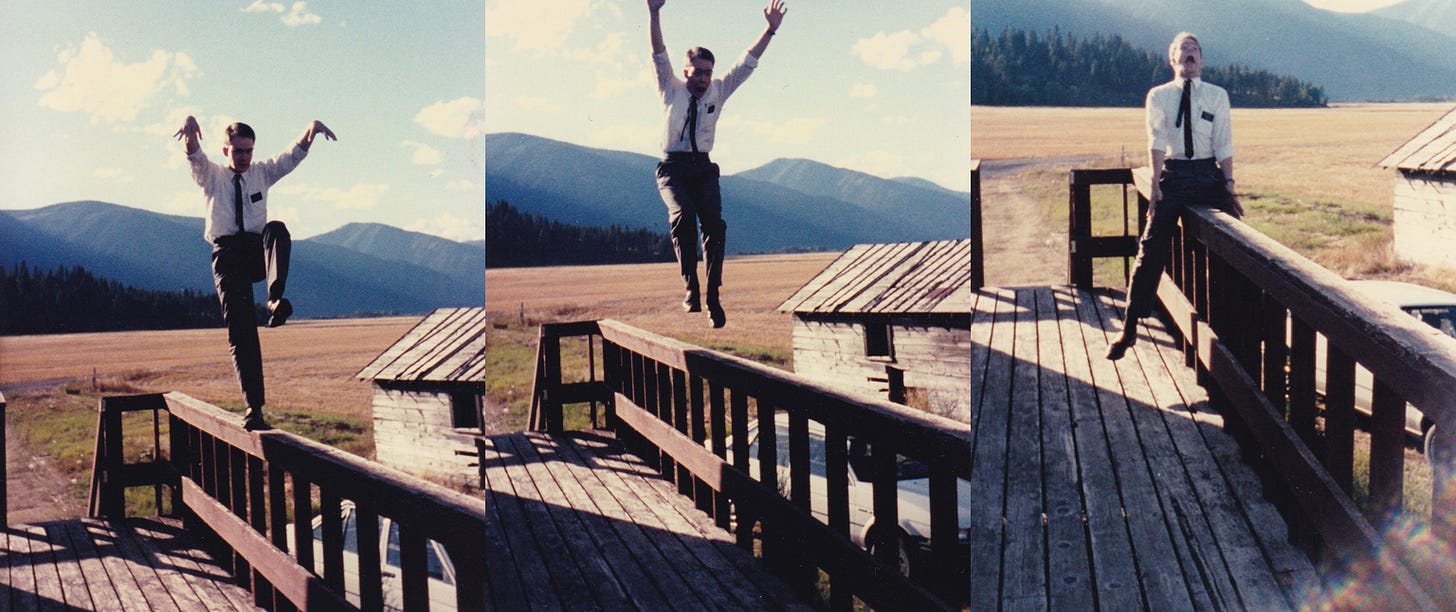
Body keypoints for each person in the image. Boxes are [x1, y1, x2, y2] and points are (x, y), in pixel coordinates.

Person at [174, 116, 337, 429]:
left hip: (254, 251)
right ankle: (254, 409)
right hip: (226, 256)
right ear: (226, 151)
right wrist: (190, 129)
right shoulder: (212, 176)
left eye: (248, 151)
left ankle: (275, 300)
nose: (244, 157)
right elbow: (193, 155)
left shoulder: (262, 173)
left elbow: (291, 157)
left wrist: (312, 130)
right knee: (241, 330)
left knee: (276, 229)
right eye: (237, 151)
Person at [648, 0, 787, 328]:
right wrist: (653, 12)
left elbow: (747, 63)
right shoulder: (670, 88)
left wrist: (770, 29)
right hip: (672, 168)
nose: (703, 78)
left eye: (707, 72)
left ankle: (713, 295)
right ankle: (690, 288)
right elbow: (658, 51)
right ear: (686, 72)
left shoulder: (719, 91)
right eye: (697, 72)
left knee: (714, 225)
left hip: (704, 168)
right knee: (683, 216)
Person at [1106, 32, 1242, 361]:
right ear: (1173, 60)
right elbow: (1156, 139)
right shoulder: (1160, 96)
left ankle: (1237, 325)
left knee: (1238, 240)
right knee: (1151, 246)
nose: (1190, 54)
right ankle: (1129, 325)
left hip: (1208, 176)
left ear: (1202, 60)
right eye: (1184, 49)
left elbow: (1223, 142)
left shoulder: (1217, 96)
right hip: (1174, 175)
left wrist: (1229, 183)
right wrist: (1155, 184)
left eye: (1195, 49)